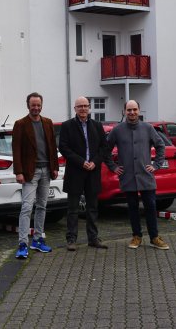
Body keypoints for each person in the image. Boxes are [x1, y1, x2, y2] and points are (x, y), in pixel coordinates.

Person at [104, 100, 171, 250]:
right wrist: (113, 167)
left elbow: (160, 146)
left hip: (145, 175)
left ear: (139, 111)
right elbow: (105, 150)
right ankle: (136, 237)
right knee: (132, 207)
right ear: (124, 112)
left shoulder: (148, 128)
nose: (132, 112)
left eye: (134, 109)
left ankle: (154, 237)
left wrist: (156, 165)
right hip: (128, 176)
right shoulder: (117, 130)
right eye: (129, 110)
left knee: (150, 206)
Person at [11, 92, 59, 259]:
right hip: (30, 173)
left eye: (38, 105)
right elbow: (16, 150)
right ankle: (23, 243)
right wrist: (18, 172)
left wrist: (55, 167)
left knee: (42, 206)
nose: (36, 108)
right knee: (26, 208)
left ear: (41, 105)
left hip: (46, 170)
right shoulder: (20, 124)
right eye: (33, 105)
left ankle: (38, 240)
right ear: (28, 105)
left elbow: (52, 146)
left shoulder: (47, 122)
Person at [58, 96, 109, 251]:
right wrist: (81, 162)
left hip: (93, 171)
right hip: (75, 171)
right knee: (72, 209)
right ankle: (71, 240)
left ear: (89, 108)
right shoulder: (67, 126)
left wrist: (95, 161)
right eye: (79, 106)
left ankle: (93, 238)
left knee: (92, 208)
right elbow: (63, 147)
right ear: (75, 109)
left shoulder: (97, 125)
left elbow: (104, 148)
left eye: (85, 106)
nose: (83, 109)